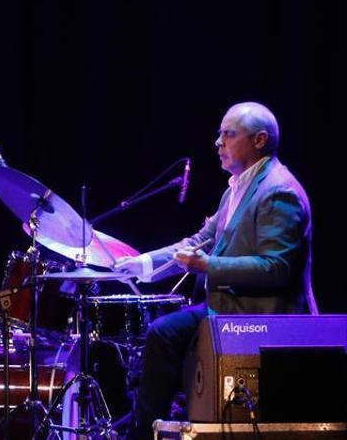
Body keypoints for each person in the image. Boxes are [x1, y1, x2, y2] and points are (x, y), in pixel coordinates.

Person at [115, 102, 314, 439]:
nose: (218, 143)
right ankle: (155, 427)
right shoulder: (236, 188)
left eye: (228, 135)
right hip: (229, 308)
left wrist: (208, 267)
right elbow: (201, 241)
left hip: (261, 315)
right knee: (163, 334)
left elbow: (277, 267)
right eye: (219, 134)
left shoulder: (279, 191)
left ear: (259, 140)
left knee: (163, 334)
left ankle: (143, 433)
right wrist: (143, 263)